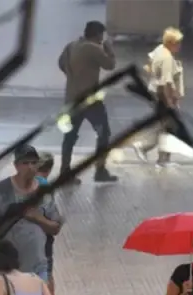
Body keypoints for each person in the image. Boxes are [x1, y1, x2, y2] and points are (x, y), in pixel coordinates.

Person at [0, 145, 64, 288]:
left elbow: (55, 228)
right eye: (25, 163)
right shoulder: (2, 190)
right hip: (9, 269)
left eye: (34, 163)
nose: (30, 167)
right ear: (16, 165)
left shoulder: (44, 192)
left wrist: (37, 218)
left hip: (38, 268)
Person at [58, 20, 118, 183]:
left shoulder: (71, 46)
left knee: (69, 136)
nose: (102, 39)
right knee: (104, 133)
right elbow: (110, 65)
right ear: (98, 35)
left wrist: (75, 78)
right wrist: (109, 49)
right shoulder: (94, 48)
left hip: (71, 99)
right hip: (90, 102)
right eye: (101, 36)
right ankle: (100, 170)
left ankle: (65, 172)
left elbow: (61, 64)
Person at [134, 27, 185, 167]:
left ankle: (158, 155)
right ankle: (151, 151)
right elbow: (167, 82)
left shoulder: (159, 49)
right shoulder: (167, 58)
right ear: (170, 43)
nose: (179, 46)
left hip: (156, 93)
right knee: (169, 127)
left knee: (165, 126)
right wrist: (170, 101)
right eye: (177, 43)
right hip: (164, 95)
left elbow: (149, 63)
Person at [34, 153, 68, 295]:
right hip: (43, 235)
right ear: (48, 169)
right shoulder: (45, 187)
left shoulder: (22, 183)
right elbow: (52, 214)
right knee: (46, 271)